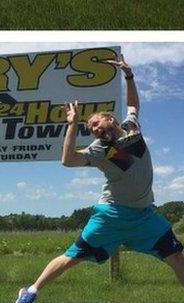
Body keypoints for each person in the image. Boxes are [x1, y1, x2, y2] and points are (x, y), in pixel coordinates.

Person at [15, 55, 184, 303]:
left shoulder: (132, 127)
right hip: (111, 215)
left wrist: (129, 74)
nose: (94, 129)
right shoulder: (99, 149)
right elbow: (68, 160)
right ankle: (29, 292)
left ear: (110, 119)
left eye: (95, 123)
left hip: (145, 216)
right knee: (74, 255)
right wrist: (72, 125)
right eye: (91, 128)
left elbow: (133, 105)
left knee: (177, 257)